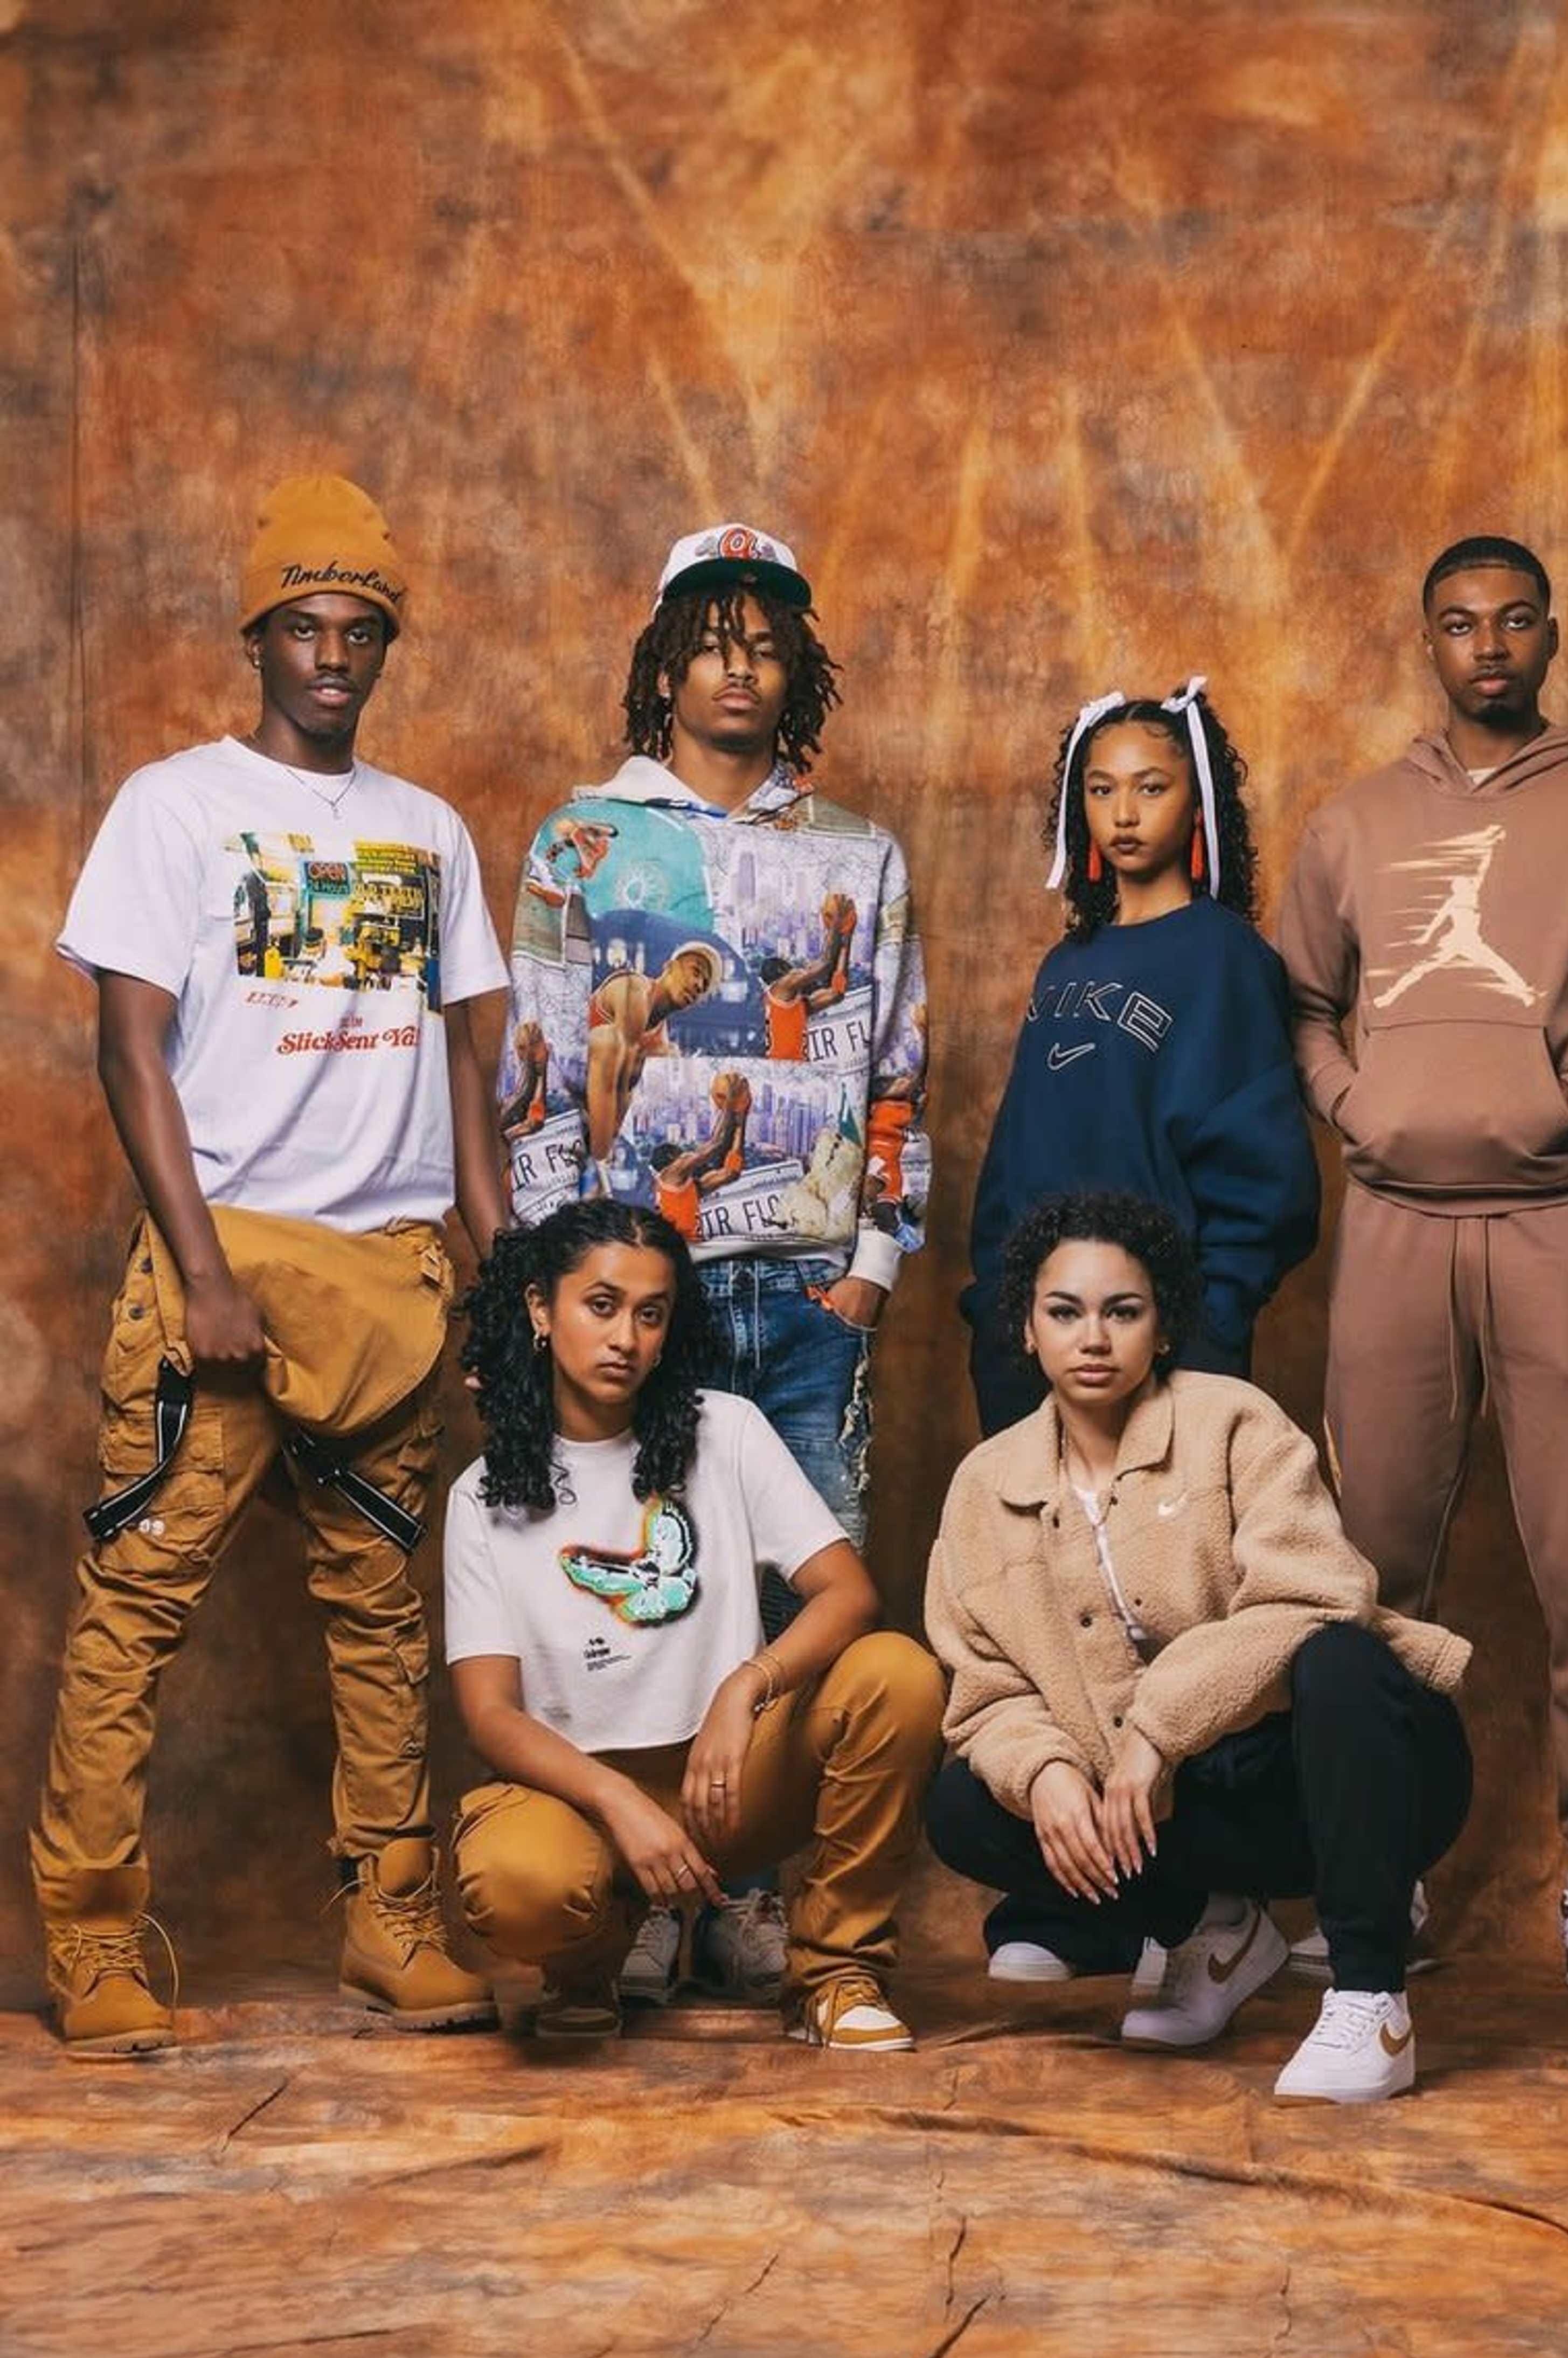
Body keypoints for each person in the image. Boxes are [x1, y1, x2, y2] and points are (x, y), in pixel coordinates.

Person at [32, 473, 509, 2056]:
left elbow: (467, 1071)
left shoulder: (426, 831)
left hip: (386, 1276)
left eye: (359, 628)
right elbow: (131, 1051)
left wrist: (488, 1271)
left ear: (385, 645)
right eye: (302, 624)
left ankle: (389, 1917)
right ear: (258, 634)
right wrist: (201, 1272)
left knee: (382, 1620)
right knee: (137, 1604)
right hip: (224, 1266)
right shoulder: (174, 806)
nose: (331, 654)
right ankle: (93, 1936)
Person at [499, 522, 929, 2010]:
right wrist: (546, 1280)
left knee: (801, 1585)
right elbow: (544, 1072)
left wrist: (876, 1249)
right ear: (665, 660)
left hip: (808, 1278)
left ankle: (752, 1898)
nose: (739, 669)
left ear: (796, 667)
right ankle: (639, 1891)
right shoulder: (585, 840)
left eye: (768, 644)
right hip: (641, 1283)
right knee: (643, 1581)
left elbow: (898, 1060)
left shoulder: (856, 856)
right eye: (713, 639)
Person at [1279, 534, 1568, 2003]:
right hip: (1394, 1226)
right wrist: (1357, 1110)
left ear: (1552, 634)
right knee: (1375, 1563)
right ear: (1429, 642)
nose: (1490, 647)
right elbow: (1304, 1009)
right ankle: (1375, 1872)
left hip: (1564, 1221)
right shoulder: (1353, 822)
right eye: (1460, 625)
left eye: (1516, 620)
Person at [925, 1192, 1474, 2104]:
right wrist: (1048, 1771)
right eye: (1064, 1313)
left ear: (1164, 1328)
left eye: (1123, 1312)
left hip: (1354, 1780)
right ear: (1027, 1331)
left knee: (1341, 1656)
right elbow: (985, 1687)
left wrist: (1157, 1730)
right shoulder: (986, 1486)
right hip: (1189, 1821)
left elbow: (1319, 1591)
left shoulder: (1233, 1422)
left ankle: (1372, 2000)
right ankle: (1207, 1927)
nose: (1092, 1338)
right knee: (963, 1803)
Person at [445, 1200, 944, 2048]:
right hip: (583, 1802)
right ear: (541, 1309)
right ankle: (586, 1964)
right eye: (600, 1306)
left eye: (651, 1314)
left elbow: (848, 1594)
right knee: (516, 1878)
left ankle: (832, 1975)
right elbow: (490, 1714)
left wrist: (746, 1688)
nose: (626, 1339)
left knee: (898, 1675)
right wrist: (614, 1800)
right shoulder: (482, 1494)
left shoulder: (726, 1430)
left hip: (726, 1785)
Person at [962, 678, 1318, 1435]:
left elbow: (1268, 1178)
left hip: (1165, 1339)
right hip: (1032, 1333)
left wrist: (1207, 1324)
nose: (1123, 814)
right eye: (1101, 790)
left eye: (1151, 788)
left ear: (1197, 804)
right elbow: (1018, 1151)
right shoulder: (1065, 962)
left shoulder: (1228, 960)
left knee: (1160, 1553)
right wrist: (997, 1303)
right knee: (1036, 1548)